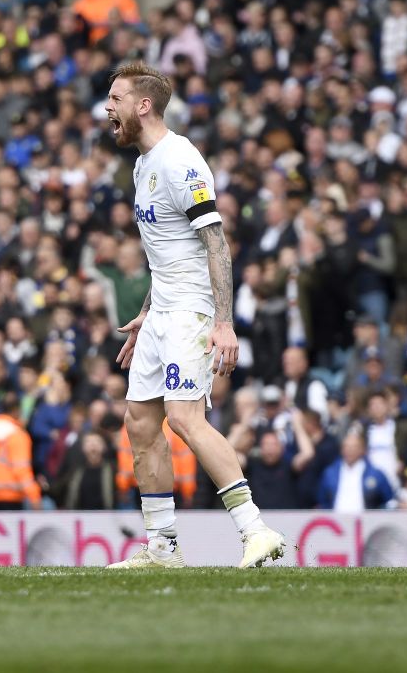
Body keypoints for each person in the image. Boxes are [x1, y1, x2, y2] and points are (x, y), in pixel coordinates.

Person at [104, 61, 284, 569]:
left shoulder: (180, 161)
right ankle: (162, 548)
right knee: (140, 422)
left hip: (191, 311)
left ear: (144, 105)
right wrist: (146, 311)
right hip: (162, 309)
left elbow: (215, 244)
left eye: (115, 99)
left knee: (184, 418)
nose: (106, 109)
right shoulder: (142, 164)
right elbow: (168, 251)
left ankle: (255, 529)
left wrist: (222, 322)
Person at [317, 433, 394, 511]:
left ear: (363, 450)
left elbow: (389, 500)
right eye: (347, 446)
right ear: (341, 449)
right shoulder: (330, 473)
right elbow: (322, 500)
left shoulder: (376, 474)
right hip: (336, 521)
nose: (350, 450)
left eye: (354, 447)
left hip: (367, 521)